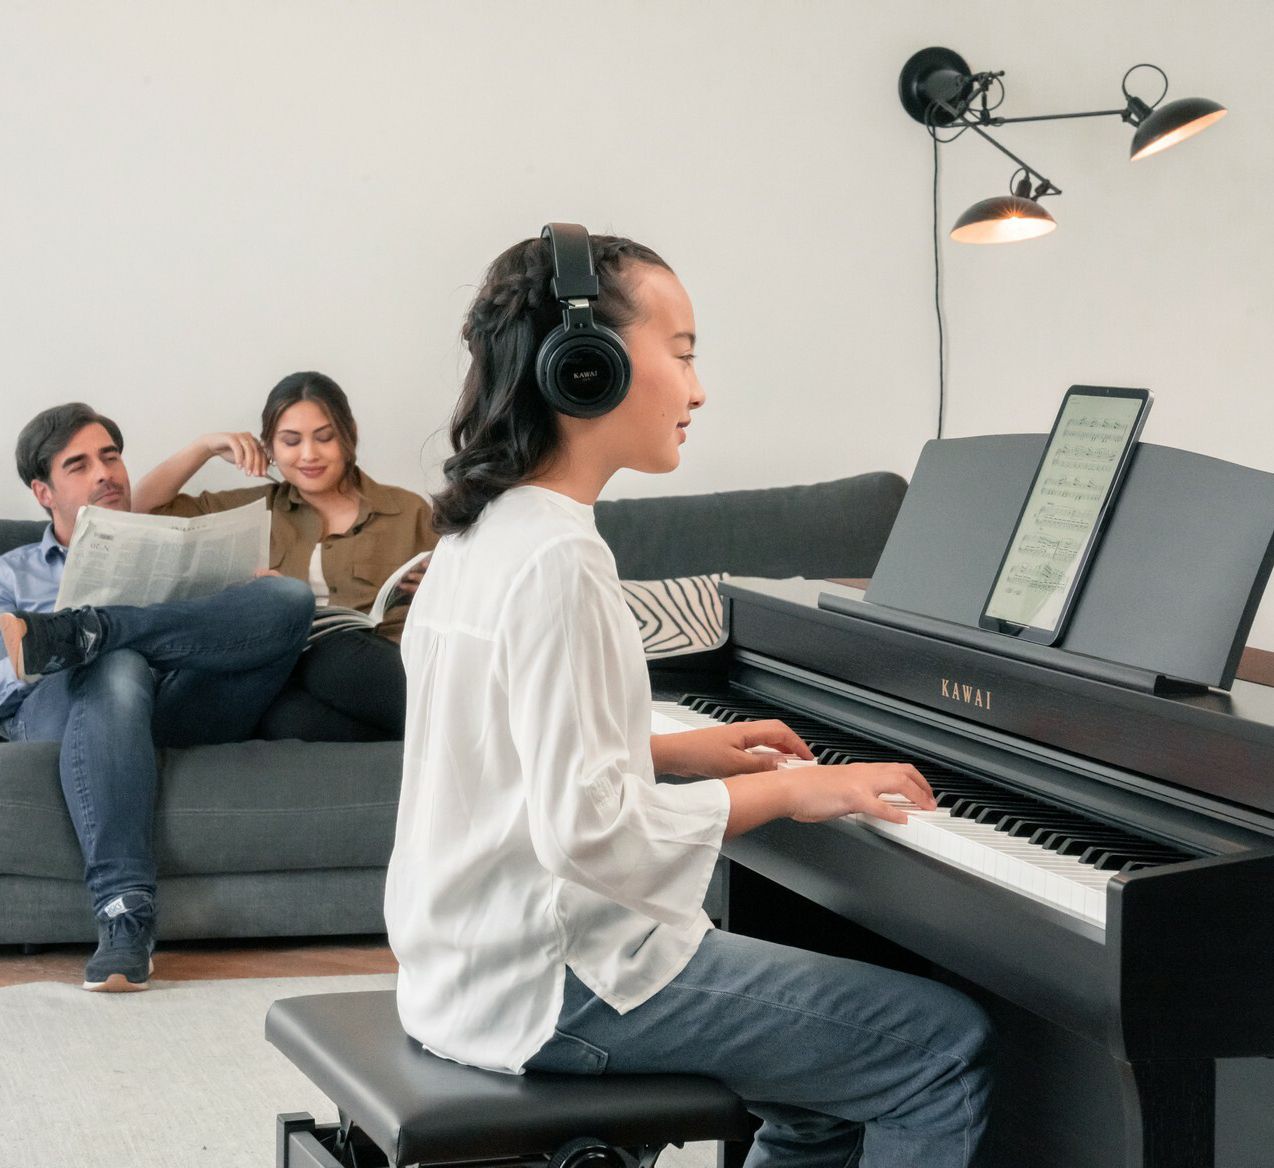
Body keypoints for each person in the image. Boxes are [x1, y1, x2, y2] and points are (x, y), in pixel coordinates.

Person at [383, 225, 992, 1167]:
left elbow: (496, 745)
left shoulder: (475, 538)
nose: (699, 390)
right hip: (556, 985)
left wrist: (669, 751)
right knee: (936, 1048)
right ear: (583, 367)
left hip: (464, 969)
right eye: (682, 354)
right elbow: (592, 835)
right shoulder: (559, 558)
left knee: (821, 1093)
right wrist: (793, 791)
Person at [0, 402, 313, 991]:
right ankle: (124, 914)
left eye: (111, 456)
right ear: (44, 492)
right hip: (59, 715)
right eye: (79, 465)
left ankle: (93, 630)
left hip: (175, 706)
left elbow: (255, 625)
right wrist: (46, 665)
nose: (104, 473)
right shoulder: (12, 575)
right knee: (115, 667)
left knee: (289, 600)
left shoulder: (170, 542)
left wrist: (238, 601)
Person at [132, 372, 437, 741]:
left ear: (349, 434)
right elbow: (143, 512)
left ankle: (439, 726)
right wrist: (204, 447)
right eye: (291, 441)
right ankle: (416, 741)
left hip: (376, 666)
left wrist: (440, 588)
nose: (309, 454)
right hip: (292, 671)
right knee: (284, 718)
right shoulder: (254, 511)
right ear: (269, 448)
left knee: (331, 659)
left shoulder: (406, 510)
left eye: (324, 437)